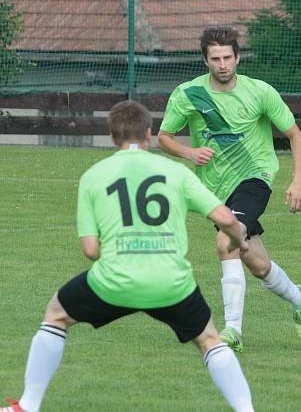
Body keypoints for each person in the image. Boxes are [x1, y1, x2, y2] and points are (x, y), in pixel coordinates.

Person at [2, 101, 254, 412]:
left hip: (113, 281)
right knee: (209, 340)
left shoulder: (94, 176)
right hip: (171, 283)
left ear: (111, 138)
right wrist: (239, 240)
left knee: (56, 315)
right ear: (149, 134)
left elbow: (90, 250)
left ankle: (27, 405)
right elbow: (227, 219)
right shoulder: (175, 172)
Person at [158, 26, 301, 352]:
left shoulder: (260, 92)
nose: (223, 64)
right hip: (215, 188)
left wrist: (298, 181)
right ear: (205, 61)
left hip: (254, 178)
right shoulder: (188, 94)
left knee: (225, 241)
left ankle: (232, 331)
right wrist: (189, 153)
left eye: (228, 57)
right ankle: (298, 297)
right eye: (215, 59)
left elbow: (295, 135)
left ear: (238, 57)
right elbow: (164, 137)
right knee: (256, 263)